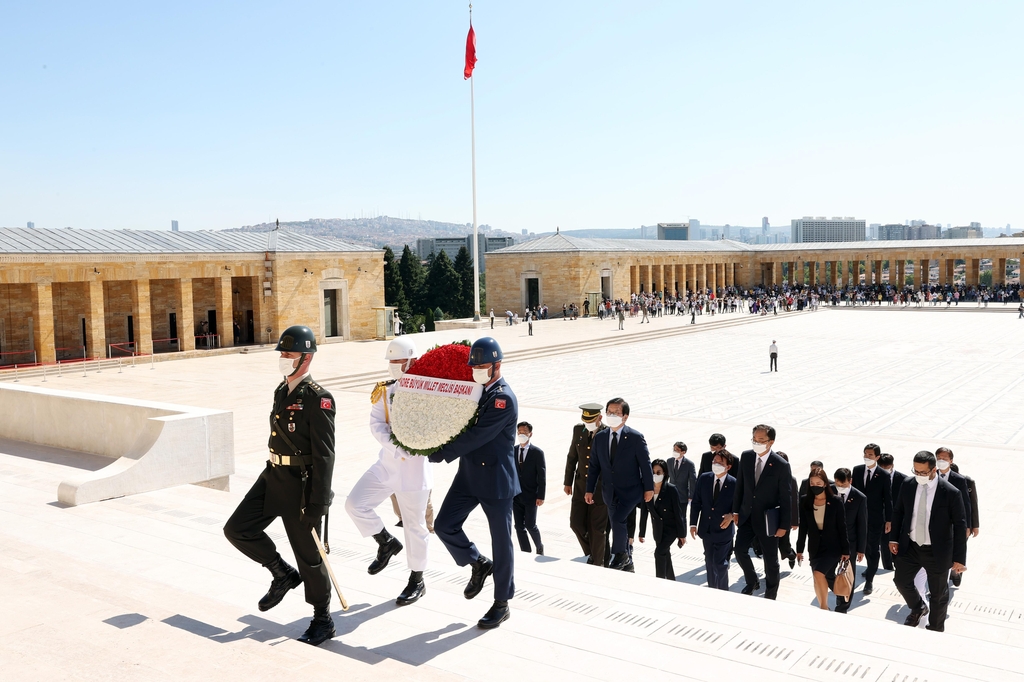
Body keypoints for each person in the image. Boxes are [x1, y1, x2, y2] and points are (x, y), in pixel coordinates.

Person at [223, 325, 337, 646]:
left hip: (300, 485)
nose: (283, 359)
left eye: (289, 354)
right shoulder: (281, 391)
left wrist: (318, 503)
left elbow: (325, 456)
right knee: (237, 529)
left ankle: (322, 619)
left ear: (306, 357)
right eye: (282, 353)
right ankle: (281, 573)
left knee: (310, 557)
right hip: (272, 476)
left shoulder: (319, 399)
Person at [429, 337, 519, 629]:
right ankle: (477, 562)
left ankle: (501, 603)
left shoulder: (503, 398)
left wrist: (440, 451)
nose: (476, 370)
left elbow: (477, 435)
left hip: (495, 480)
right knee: (444, 525)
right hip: (468, 476)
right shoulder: (475, 392)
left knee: (502, 543)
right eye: (474, 366)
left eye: (482, 366)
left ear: (497, 365)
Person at [344, 337, 432, 606]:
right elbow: (376, 423)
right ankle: (385, 542)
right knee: (354, 504)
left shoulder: (429, 392)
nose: (393, 366)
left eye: (398, 361)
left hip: (415, 470)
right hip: (387, 463)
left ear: (412, 361)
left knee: (415, 526)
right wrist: (395, 446)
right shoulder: (385, 391)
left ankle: (417, 579)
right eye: (391, 362)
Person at [889, 451, 967, 632]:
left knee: (939, 595)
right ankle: (918, 607)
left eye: (923, 473)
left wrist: (959, 559)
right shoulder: (908, 484)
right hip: (911, 546)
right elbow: (898, 511)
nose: (919, 476)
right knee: (901, 581)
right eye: (915, 471)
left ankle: (935, 629)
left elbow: (960, 526)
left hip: (937, 552)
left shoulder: (950, 492)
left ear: (933, 470)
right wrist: (893, 538)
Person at [585, 398, 654, 572]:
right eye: (609, 412)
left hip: (631, 491)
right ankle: (628, 562)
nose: (612, 415)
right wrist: (589, 489)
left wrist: (649, 488)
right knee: (618, 523)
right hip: (610, 491)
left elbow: (645, 464)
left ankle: (621, 554)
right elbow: (594, 466)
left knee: (617, 519)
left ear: (625, 417)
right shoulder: (600, 437)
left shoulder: (635, 437)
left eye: (616, 412)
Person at [731, 424, 792, 599]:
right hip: (747, 515)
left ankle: (770, 594)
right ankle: (752, 581)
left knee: (770, 560)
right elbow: (740, 485)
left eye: (761, 440)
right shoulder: (747, 457)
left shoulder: (781, 465)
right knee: (740, 549)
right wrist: (736, 510)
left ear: (771, 442)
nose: (756, 443)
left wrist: (784, 525)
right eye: (754, 439)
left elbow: (786, 497)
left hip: (768, 520)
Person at [796, 466, 850, 611]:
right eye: (812, 484)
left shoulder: (836, 501)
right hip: (815, 547)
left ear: (825, 484)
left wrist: (846, 550)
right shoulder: (805, 501)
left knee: (819, 573)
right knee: (817, 576)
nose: (815, 487)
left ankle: (824, 607)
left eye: (818, 484)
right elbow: (803, 528)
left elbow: (842, 527)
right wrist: (799, 549)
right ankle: (823, 606)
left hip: (833, 547)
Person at [564, 403, 610, 566]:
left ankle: (598, 563)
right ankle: (594, 552)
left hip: (600, 489)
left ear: (600, 418)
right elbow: (572, 457)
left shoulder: (607, 433)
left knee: (597, 529)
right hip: (580, 486)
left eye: (591, 421)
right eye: (585, 421)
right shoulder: (579, 430)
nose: (588, 424)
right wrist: (567, 482)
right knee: (576, 523)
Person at [689, 449, 736, 590]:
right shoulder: (704, 478)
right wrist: (693, 524)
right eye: (714, 461)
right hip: (706, 529)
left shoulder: (734, 484)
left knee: (720, 564)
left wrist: (732, 516)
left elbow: (742, 506)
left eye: (720, 462)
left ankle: (722, 591)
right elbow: (696, 502)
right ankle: (711, 590)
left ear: (728, 467)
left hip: (723, 530)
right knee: (709, 563)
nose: (716, 464)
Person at [851, 443, 892, 596]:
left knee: (872, 549)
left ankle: (869, 580)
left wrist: (889, 520)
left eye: (870, 455)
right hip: (856, 517)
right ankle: (851, 577)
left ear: (877, 457)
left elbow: (888, 499)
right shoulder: (857, 470)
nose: (867, 457)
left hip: (874, 519)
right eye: (865, 454)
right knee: (855, 546)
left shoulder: (884, 475)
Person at [638, 459, 687, 580]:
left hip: (671, 529)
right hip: (658, 530)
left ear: (664, 473)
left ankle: (659, 580)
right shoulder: (647, 489)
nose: (655, 475)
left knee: (659, 552)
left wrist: (682, 534)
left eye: (658, 472)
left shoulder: (671, 489)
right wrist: (641, 532)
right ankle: (671, 579)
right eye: (653, 472)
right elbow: (644, 512)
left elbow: (678, 513)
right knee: (665, 554)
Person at [934, 447, 975, 587]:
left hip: (954, 521)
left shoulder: (959, 479)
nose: (941, 461)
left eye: (945, 459)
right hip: (937, 521)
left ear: (951, 461)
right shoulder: (931, 475)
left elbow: (966, 503)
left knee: (956, 548)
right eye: (939, 458)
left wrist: (967, 525)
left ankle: (956, 573)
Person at [833, 468, 867, 613]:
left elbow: (862, 524)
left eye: (843, 484)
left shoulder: (859, 498)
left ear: (850, 481)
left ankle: (843, 606)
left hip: (850, 543)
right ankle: (836, 593)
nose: (839, 486)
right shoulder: (828, 492)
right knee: (828, 572)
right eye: (837, 483)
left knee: (847, 574)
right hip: (830, 541)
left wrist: (861, 549)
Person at [512, 421, 545, 555]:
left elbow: (541, 476)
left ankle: (539, 545)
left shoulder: (537, 453)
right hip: (515, 495)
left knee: (530, 524)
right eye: (519, 432)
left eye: (524, 432)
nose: (521, 434)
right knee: (519, 526)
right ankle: (525, 551)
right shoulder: (513, 450)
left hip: (531, 495)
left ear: (530, 434)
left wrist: (541, 496)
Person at [878, 453, 906, 571]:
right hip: (881, 517)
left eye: (887, 468)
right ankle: (888, 568)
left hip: (898, 517)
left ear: (892, 466)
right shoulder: (875, 477)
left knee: (897, 542)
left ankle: (898, 564)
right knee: (884, 544)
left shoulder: (903, 479)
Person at [666, 441, 696, 514]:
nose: (675, 452)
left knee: (681, 517)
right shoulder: (669, 461)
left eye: (677, 450)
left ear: (683, 452)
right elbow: (666, 477)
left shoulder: (689, 464)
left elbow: (692, 481)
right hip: (670, 494)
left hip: (682, 496)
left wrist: (691, 496)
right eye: (674, 450)